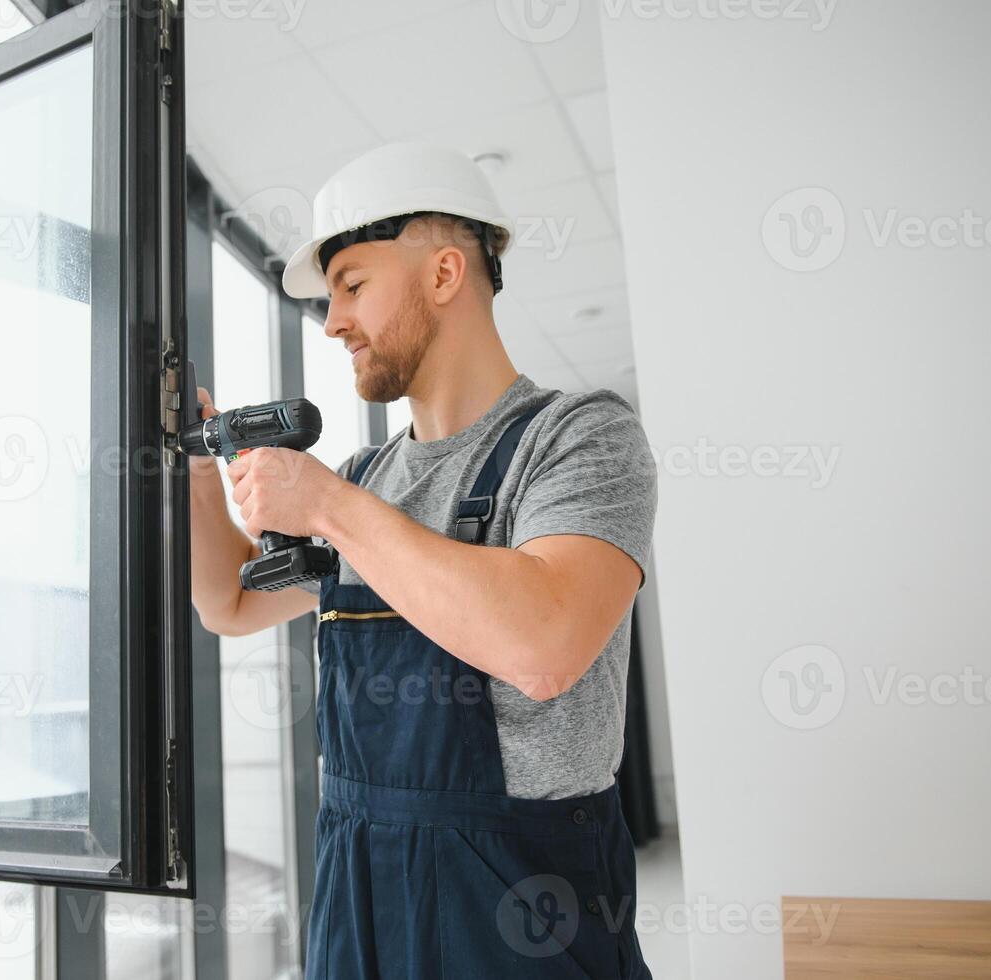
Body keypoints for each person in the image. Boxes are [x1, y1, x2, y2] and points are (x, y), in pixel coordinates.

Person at [189, 141, 657, 979]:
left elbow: (544, 647)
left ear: (444, 274)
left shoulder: (577, 435)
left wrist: (328, 505)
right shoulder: (370, 479)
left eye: (353, 285)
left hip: (519, 908)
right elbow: (229, 603)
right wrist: (191, 466)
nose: (331, 322)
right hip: (356, 885)